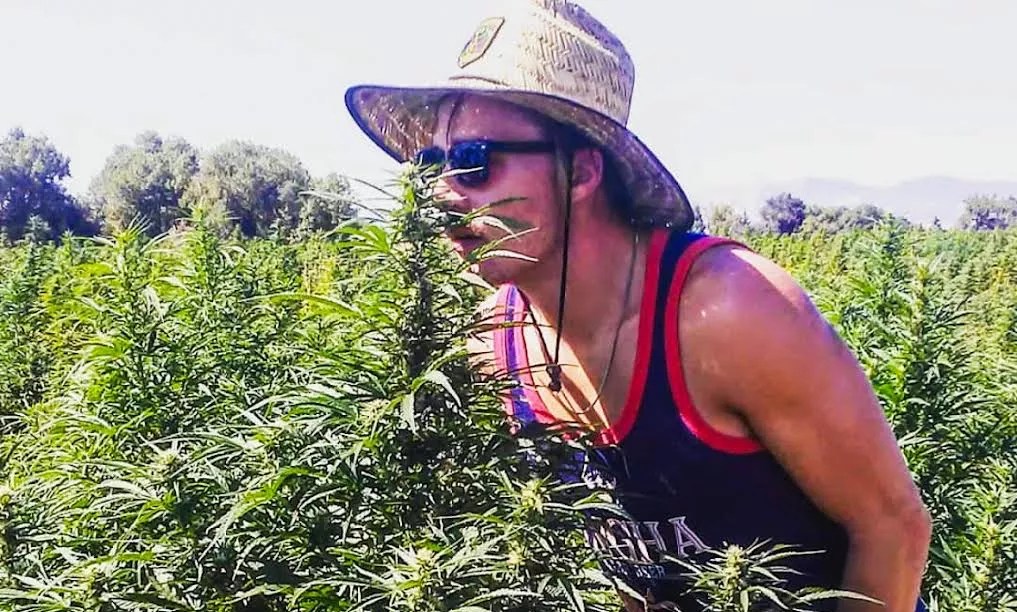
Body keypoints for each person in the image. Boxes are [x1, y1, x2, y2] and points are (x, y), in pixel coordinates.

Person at [344, 1, 932, 610]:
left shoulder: (726, 311)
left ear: (582, 171)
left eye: (475, 162)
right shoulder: (493, 346)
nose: (442, 195)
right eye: (430, 166)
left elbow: (893, 529)